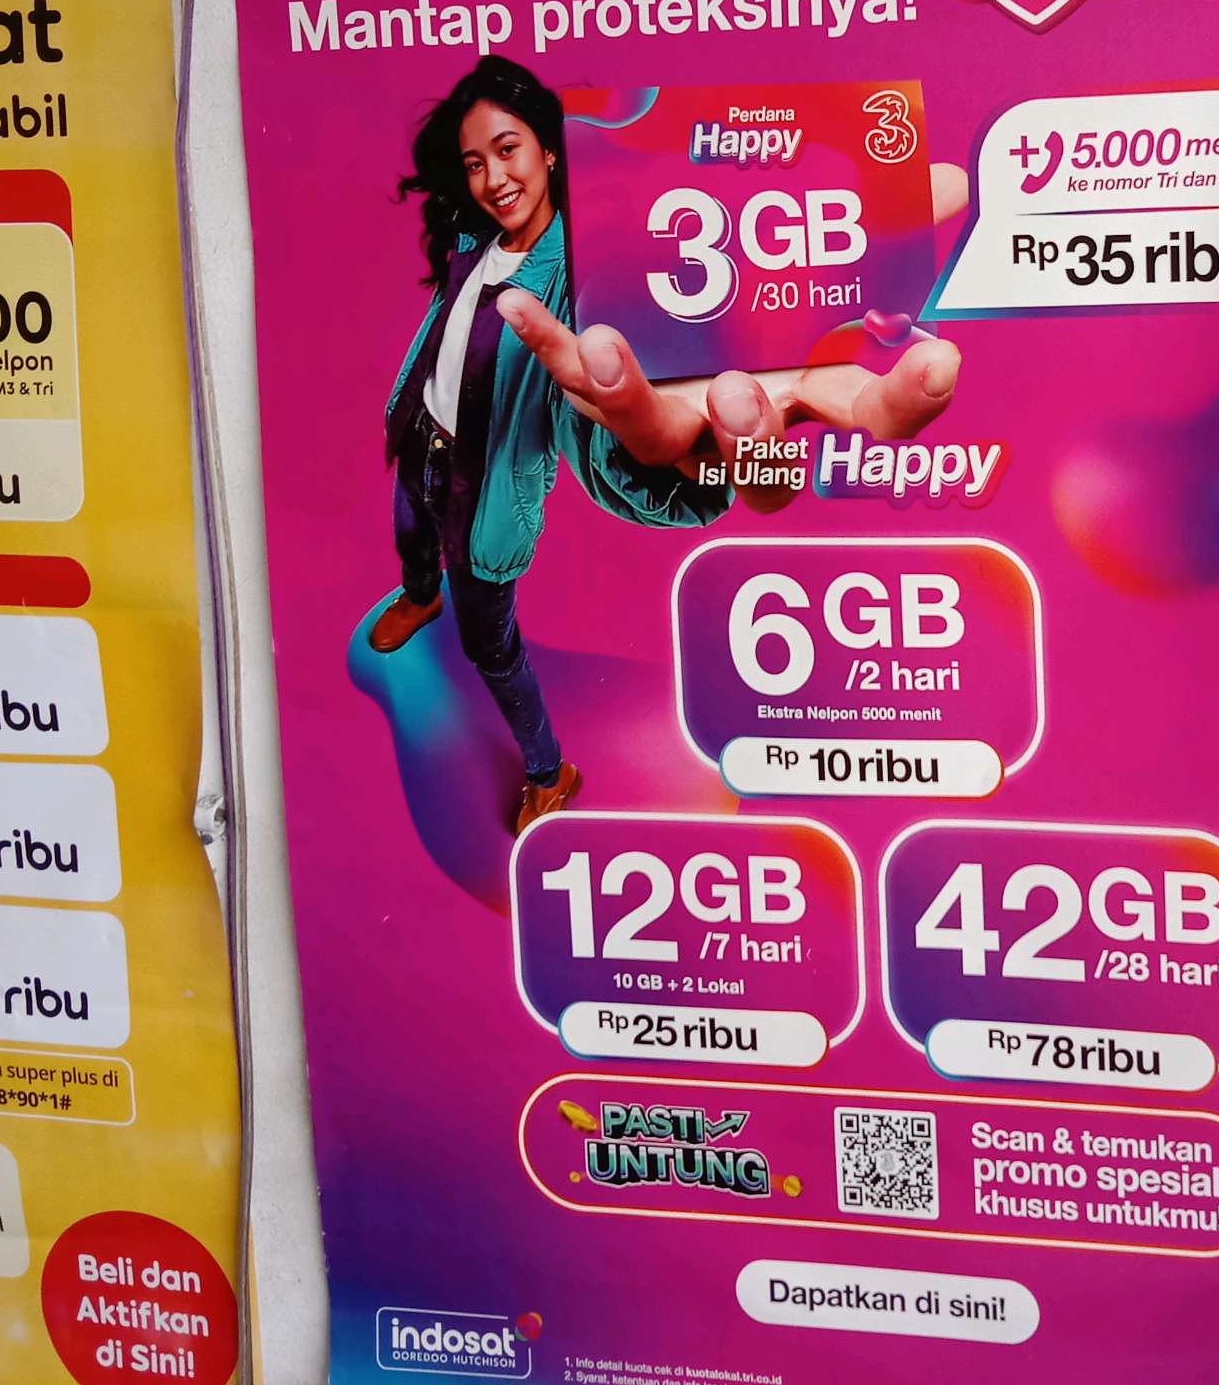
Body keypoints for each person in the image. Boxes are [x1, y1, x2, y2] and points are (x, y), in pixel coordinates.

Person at [369, 56, 961, 835]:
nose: (493, 178)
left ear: (549, 150)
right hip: (421, 444)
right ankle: (420, 594)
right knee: (411, 540)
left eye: (507, 150)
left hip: (483, 497)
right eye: (475, 162)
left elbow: (601, 408)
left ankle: (548, 770)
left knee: (491, 647)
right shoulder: (470, 236)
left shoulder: (585, 270)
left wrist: (673, 461)